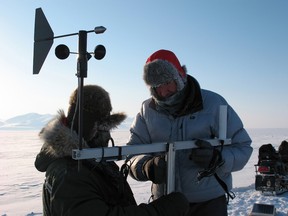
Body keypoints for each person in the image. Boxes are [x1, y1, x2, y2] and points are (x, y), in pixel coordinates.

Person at [126, 49, 253, 216]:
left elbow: (242, 146)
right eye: (157, 86)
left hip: (208, 204)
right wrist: (146, 167)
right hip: (164, 204)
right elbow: (131, 154)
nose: (163, 92)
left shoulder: (214, 104)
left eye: (167, 82)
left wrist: (218, 159)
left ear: (180, 77)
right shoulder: (147, 110)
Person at [34, 84, 189, 216]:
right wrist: (160, 211)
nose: (107, 134)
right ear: (90, 128)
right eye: (103, 127)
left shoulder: (90, 159)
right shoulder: (70, 173)